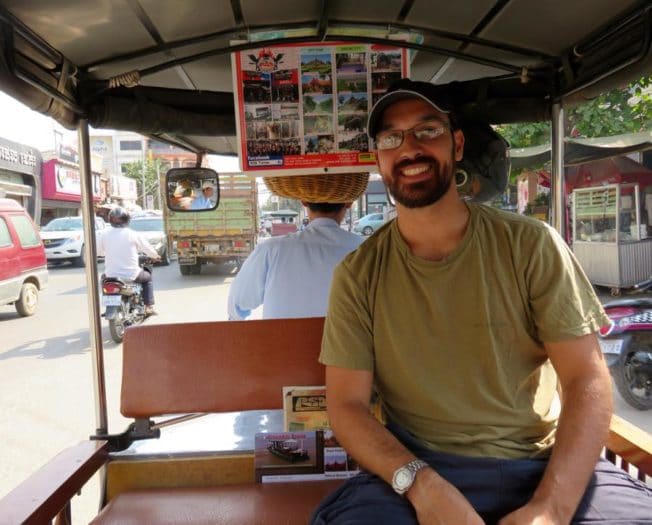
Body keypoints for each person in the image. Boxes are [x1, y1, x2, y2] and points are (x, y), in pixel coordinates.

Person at [311, 79, 652, 524]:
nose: (409, 148)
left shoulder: (531, 245)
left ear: (456, 145)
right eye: (391, 138)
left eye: (426, 130)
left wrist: (551, 508)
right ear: (379, 160)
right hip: (420, 467)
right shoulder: (359, 274)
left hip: (541, 463)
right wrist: (422, 486)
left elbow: (586, 377)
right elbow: (347, 406)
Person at [228, 201, 363, 320]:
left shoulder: (271, 250)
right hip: (348, 348)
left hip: (281, 347)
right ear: (349, 202)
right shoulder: (366, 251)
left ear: (303, 201)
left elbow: (237, 305)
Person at [98, 207, 160, 316]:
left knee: (104, 280)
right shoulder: (132, 234)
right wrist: (156, 256)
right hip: (131, 274)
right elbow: (148, 249)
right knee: (147, 278)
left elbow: (100, 252)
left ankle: (109, 305)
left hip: (111, 275)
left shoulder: (104, 234)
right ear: (127, 219)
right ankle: (149, 307)